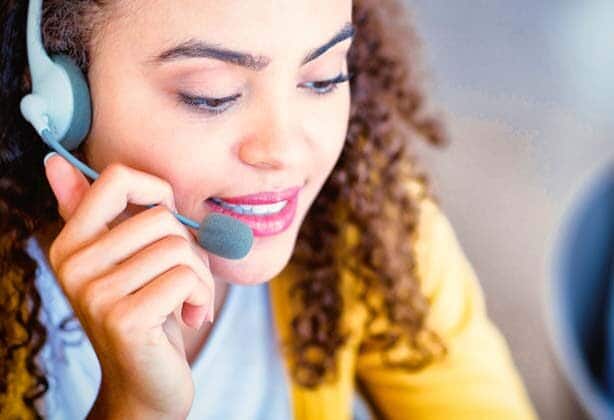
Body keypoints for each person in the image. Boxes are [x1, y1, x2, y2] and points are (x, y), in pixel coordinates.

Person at [0, 0, 538, 419]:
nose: (282, 152)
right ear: (58, 95)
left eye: (324, 78)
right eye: (211, 95)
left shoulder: (373, 221)